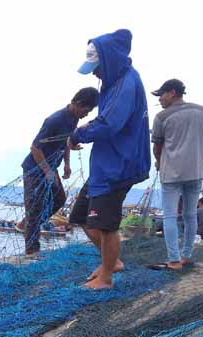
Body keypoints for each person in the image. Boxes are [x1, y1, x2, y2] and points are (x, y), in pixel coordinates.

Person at [67, 29, 151, 289]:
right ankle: (110, 262)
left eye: (96, 67)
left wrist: (78, 134)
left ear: (109, 60)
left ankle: (106, 278)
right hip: (104, 165)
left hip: (119, 166)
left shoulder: (127, 82)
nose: (94, 73)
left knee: (106, 225)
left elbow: (109, 123)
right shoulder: (114, 84)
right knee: (80, 215)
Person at [21, 87, 99, 256]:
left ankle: (27, 224)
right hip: (34, 169)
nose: (87, 114)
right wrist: (49, 172)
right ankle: (31, 252)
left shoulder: (73, 119)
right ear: (78, 104)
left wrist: (67, 164)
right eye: (87, 110)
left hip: (50, 167)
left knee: (59, 199)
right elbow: (35, 148)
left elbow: (66, 142)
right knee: (35, 207)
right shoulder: (54, 120)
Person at [150, 79, 203, 270]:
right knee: (190, 215)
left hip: (171, 174)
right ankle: (186, 256)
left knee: (170, 216)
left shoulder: (161, 117)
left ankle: (173, 260)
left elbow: (157, 148)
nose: (160, 99)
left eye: (161, 95)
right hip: (195, 172)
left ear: (172, 92)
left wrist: (158, 162)